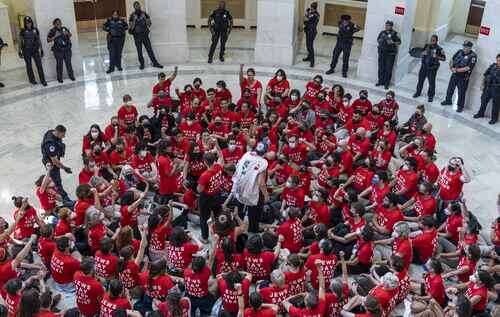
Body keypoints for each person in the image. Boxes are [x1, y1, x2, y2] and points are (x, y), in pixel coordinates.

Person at [225, 142, 269, 234]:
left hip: (239, 186)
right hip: (251, 190)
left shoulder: (247, 154)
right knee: (254, 212)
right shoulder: (263, 162)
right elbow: (261, 183)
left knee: (240, 209)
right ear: (265, 152)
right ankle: (253, 229)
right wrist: (266, 195)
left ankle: (237, 227)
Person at [441, 40, 477, 112]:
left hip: (463, 78)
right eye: (464, 46)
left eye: (466, 47)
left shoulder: (473, 56)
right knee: (450, 88)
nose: (464, 48)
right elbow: (452, 59)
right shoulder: (459, 51)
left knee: (461, 92)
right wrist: (451, 67)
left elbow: (468, 67)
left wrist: (456, 70)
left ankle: (460, 106)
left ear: (470, 48)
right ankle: (448, 100)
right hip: (454, 74)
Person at [41, 125, 72, 202]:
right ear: (58, 132)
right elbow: (54, 161)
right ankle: (66, 201)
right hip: (51, 164)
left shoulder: (51, 131)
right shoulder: (50, 143)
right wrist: (65, 168)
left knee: (56, 182)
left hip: (52, 159)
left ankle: (60, 197)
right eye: (63, 135)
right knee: (57, 182)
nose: (64, 137)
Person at [128, 1, 163, 70]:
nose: (137, 7)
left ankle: (155, 63)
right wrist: (134, 20)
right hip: (137, 36)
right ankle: (142, 64)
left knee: (149, 49)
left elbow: (149, 24)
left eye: (138, 5)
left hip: (145, 35)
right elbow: (131, 27)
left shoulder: (144, 14)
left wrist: (146, 19)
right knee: (139, 51)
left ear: (140, 6)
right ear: (134, 7)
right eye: (136, 6)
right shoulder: (132, 15)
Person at [413, 34, 446, 102]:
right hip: (424, 66)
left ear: (437, 41)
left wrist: (436, 56)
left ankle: (430, 96)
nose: (432, 41)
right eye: (431, 40)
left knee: (431, 83)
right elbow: (421, 52)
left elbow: (444, 58)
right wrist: (423, 53)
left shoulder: (439, 49)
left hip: (432, 68)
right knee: (420, 80)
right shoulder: (427, 46)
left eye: (433, 40)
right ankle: (418, 92)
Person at [19, 16, 46, 86]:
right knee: (29, 66)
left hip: (35, 50)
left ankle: (43, 80)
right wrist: (19, 51)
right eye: (27, 23)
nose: (28, 24)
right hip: (26, 51)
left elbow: (38, 40)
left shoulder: (35, 30)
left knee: (39, 65)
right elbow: (20, 41)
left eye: (29, 22)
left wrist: (41, 49)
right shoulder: (22, 31)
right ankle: (32, 80)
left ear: (31, 22)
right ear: (25, 24)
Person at [473, 53, 500, 124]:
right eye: (497, 60)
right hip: (488, 87)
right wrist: (482, 84)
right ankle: (480, 113)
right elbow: (485, 74)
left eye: (499, 61)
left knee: (495, 105)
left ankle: (494, 119)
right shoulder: (493, 66)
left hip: (497, 90)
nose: (498, 62)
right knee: (483, 100)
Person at [47, 18, 75, 83]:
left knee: (68, 63)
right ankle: (59, 78)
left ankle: (71, 76)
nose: (59, 24)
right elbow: (48, 40)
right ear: (54, 24)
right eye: (57, 23)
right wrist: (55, 36)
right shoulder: (52, 31)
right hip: (58, 50)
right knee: (59, 64)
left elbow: (70, 35)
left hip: (67, 49)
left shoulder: (64, 28)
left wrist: (67, 33)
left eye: (59, 22)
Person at [376, 20, 401, 90]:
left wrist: (392, 42)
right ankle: (380, 81)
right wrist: (380, 40)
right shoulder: (382, 32)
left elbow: (399, 42)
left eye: (388, 25)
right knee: (381, 67)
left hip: (390, 54)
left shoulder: (394, 33)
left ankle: (386, 83)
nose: (387, 27)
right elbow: (378, 39)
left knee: (388, 69)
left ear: (391, 26)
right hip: (382, 52)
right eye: (386, 25)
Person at [302, 2, 320, 68]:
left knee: (310, 46)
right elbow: (305, 20)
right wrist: (307, 14)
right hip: (308, 31)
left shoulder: (314, 14)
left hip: (311, 32)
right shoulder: (313, 14)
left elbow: (305, 19)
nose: (311, 9)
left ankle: (312, 61)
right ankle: (309, 57)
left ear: (314, 8)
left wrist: (306, 14)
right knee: (308, 45)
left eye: (312, 8)